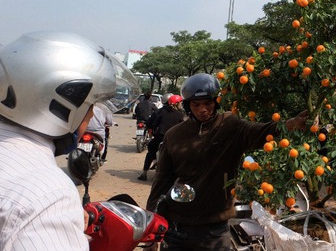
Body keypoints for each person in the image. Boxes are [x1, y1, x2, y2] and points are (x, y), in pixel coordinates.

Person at [144, 73, 308, 250]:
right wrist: (151, 229)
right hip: (178, 224)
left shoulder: (230, 125)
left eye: (208, 103)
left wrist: (290, 124)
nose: (202, 109)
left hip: (215, 226)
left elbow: (260, 132)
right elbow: (161, 182)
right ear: (187, 105)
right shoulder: (174, 135)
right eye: (196, 104)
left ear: (216, 102)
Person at [0, 31, 117, 250]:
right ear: (61, 105)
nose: (91, 115)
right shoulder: (48, 193)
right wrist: (56, 211)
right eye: (90, 106)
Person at [137, 93, 184, 181]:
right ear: (176, 104)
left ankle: (144, 173)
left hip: (160, 138)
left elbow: (151, 123)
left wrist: (153, 129)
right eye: (180, 103)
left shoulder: (159, 111)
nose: (181, 105)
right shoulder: (180, 115)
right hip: (173, 140)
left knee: (150, 150)